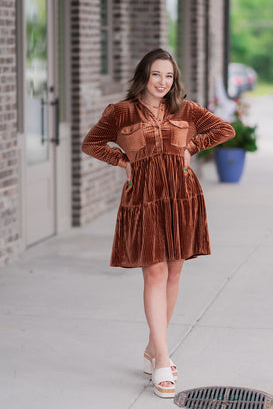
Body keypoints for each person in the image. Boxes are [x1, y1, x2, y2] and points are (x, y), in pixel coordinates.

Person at [81, 48, 235, 398]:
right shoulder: (121, 111)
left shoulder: (185, 108)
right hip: (144, 198)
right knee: (155, 271)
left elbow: (224, 129)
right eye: (156, 75)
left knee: (174, 271)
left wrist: (191, 148)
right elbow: (91, 143)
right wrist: (123, 162)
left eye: (169, 76)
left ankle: (154, 347)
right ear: (143, 76)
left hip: (182, 196)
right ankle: (163, 358)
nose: (163, 82)